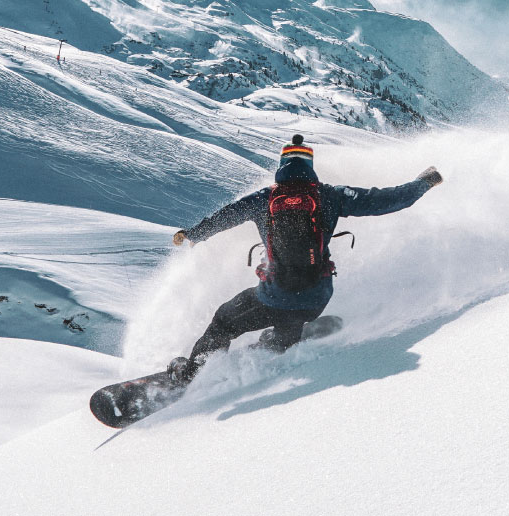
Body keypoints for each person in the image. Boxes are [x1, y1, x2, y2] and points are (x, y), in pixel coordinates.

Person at [166, 134, 443, 383]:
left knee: (224, 321)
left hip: (274, 298)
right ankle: (281, 340)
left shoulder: (263, 199)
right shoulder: (331, 196)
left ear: (281, 165)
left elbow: (224, 217)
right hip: (316, 299)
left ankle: (190, 376)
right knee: (289, 317)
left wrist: (193, 234)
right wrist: (424, 183)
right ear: (310, 165)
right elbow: (388, 200)